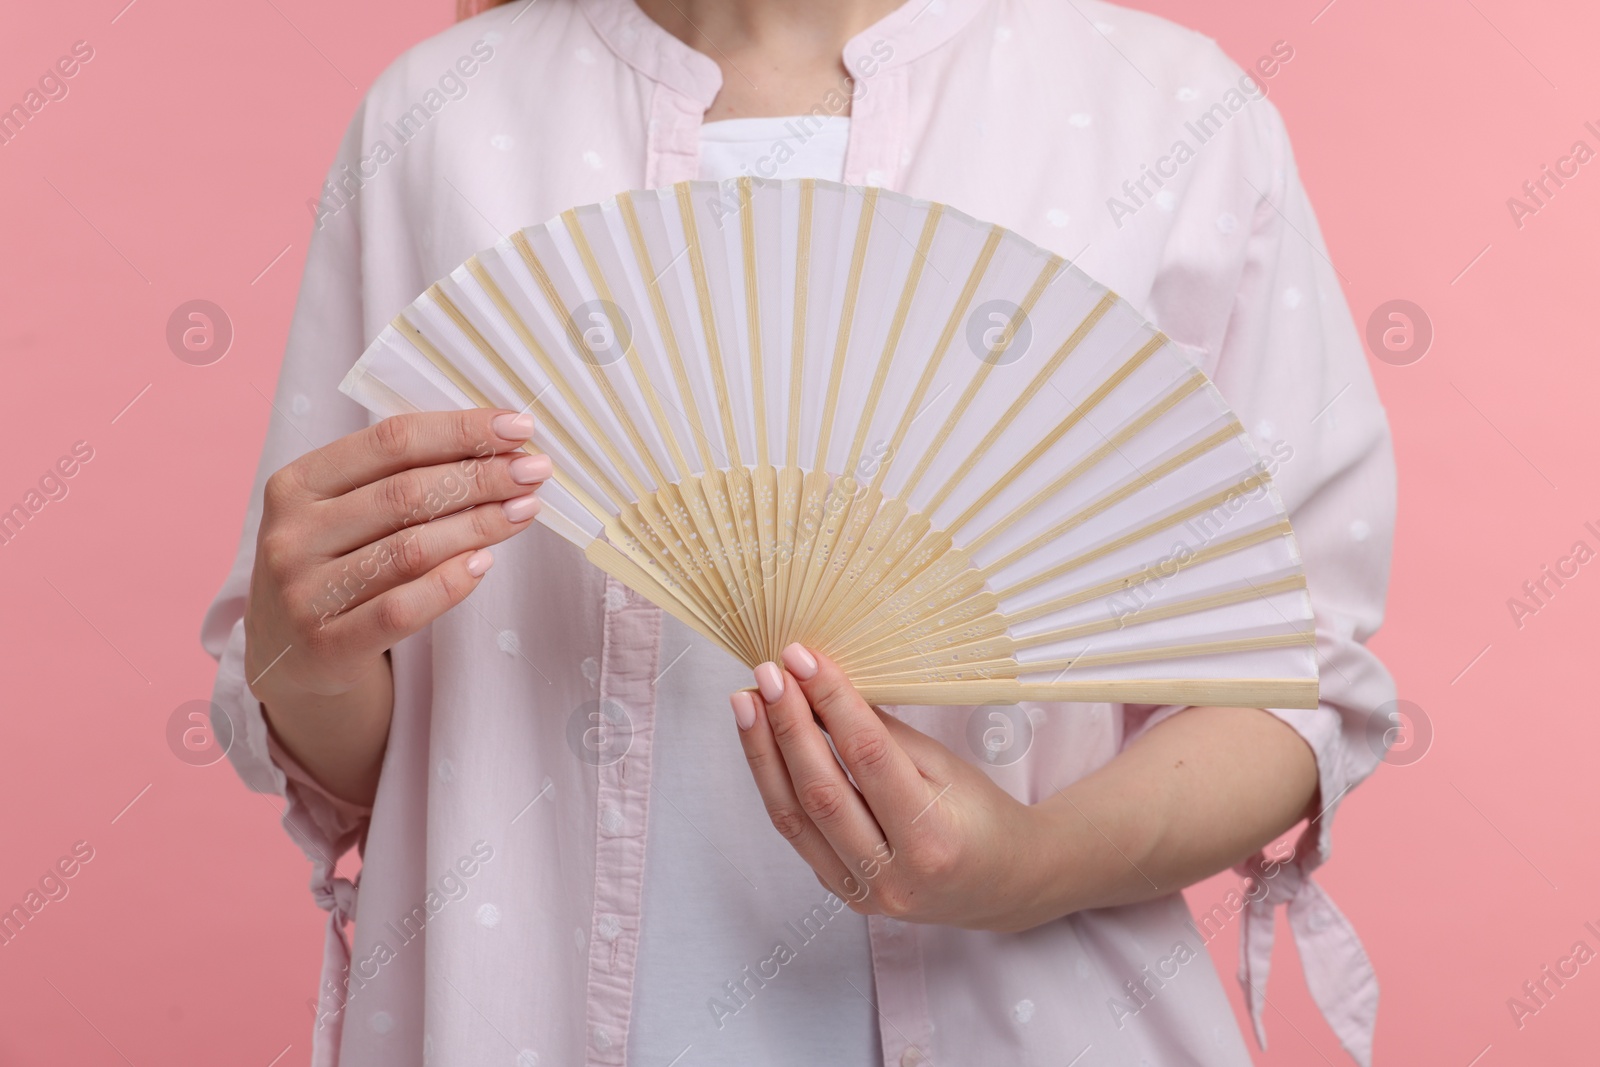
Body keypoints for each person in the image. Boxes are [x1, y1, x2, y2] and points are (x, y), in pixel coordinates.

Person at [201, 0, 1398, 1064]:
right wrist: (302, 649)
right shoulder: (439, 118)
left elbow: (1288, 683)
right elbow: (365, 751)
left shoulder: (1167, 115)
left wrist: (1024, 860)